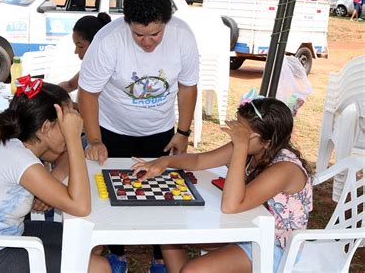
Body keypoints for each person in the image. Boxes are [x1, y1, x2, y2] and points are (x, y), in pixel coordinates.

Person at [78, 0, 199, 273]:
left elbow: (187, 86)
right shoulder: (107, 40)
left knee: (164, 195)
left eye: (155, 34)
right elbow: (87, 93)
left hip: (160, 130)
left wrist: (182, 132)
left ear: (167, 23)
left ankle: (160, 258)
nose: (148, 41)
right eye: (139, 34)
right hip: (112, 129)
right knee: (111, 194)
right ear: (127, 22)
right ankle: (116, 254)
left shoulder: (183, 36)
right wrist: (94, 140)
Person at [132, 97, 313, 273]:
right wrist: (165, 161)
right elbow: (199, 160)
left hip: (272, 245)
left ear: (266, 141)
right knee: (169, 230)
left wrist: (241, 146)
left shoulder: (285, 169)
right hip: (245, 227)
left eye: (242, 135)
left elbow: (230, 205)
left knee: (192, 270)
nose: (235, 137)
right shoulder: (254, 147)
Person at [0, 79, 110, 273]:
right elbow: (81, 206)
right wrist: (74, 139)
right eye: (66, 122)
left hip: (4, 238)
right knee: (99, 268)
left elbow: (64, 159)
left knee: (91, 241)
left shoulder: (22, 143)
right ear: (45, 127)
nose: (74, 127)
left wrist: (49, 186)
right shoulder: (19, 158)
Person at [58, 13, 112, 93]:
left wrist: (66, 104)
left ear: (95, 44)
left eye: (80, 46)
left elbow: (88, 104)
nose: (76, 52)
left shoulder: (109, 69)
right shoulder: (91, 67)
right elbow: (70, 85)